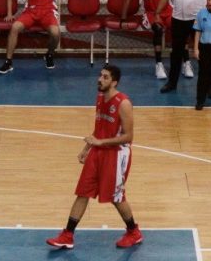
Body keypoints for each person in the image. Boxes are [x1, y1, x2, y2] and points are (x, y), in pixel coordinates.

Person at [46, 64, 142, 249]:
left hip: (116, 154)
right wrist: (87, 148)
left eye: (105, 77)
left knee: (116, 197)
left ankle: (134, 231)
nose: (100, 79)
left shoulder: (123, 103)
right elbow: (99, 129)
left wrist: (100, 143)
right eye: (100, 75)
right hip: (98, 151)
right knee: (83, 192)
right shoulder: (100, 98)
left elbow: (129, 137)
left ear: (114, 82)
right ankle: (67, 235)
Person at [120, 0, 173, 79]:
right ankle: (159, 64)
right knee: (158, 30)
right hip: (151, 14)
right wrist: (123, 19)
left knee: (179, 26)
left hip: (168, 12)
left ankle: (185, 62)